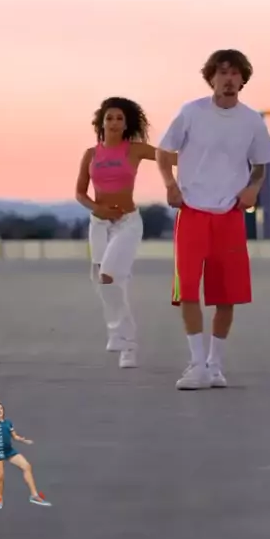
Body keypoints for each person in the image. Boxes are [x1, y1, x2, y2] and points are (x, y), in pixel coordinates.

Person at [155, 49, 270, 390]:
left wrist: (253, 189)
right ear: (211, 78)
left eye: (235, 73)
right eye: (222, 73)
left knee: (226, 295)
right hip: (192, 211)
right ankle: (196, 365)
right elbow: (163, 151)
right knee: (188, 290)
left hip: (229, 215)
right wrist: (170, 185)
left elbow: (261, 165)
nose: (229, 79)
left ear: (243, 80)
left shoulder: (252, 121)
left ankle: (215, 365)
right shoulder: (192, 112)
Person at [75, 96, 177, 368]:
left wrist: (206, 152)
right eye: (109, 118)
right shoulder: (91, 154)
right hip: (99, 224)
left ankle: (127, 343)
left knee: (108, 275)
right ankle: (118, 335)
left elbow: (170, 158)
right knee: (104, 281)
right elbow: (80, 193)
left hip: (127, 223)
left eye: (119, 118)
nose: (114, 122)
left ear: (126, 123)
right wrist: (98, 208)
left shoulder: (134, 150)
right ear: (101, 122)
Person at [0, 395, 51, 509]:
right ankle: (0, 498)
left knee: (27, 466)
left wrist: (23, 440)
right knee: (0, 477)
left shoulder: (8, 422)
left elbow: (14, 436)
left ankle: (34, 495)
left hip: (9, 450)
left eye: (0, 408)